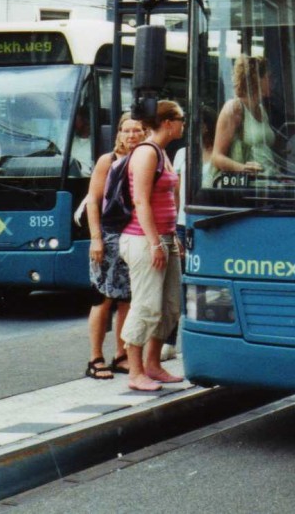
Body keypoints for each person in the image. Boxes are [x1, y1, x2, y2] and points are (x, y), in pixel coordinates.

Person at [119, 100, 185, 392]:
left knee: (171, 306)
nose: (184, 124)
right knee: (145, 305)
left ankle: (154, 364)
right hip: (145, 239)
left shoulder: (162, 153)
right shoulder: (146, 153)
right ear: (168, 122)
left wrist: (172, 236)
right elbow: (141, 201)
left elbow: (170, 196)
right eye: (181, 119)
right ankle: (135, 371)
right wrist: (155, 241)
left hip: (166, 238)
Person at [82, 113, 144, 380]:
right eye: (126, 130)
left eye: (137, 131)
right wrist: (96, 238)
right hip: (108, 236)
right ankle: (95, 358)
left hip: (134, 235)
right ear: (118, 133)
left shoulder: (145, 159)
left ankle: (121, 355)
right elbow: (93, 201)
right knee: (103, 298)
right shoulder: (107, 161)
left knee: (127, 299)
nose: (131, 136)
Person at [212, 55, 281, 177]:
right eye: (268, 77)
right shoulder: (234, 108)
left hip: (266, 181)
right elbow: (216, 157)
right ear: (256, 79)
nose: (273, 81)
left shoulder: (261, 110)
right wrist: (243, 168)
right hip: (245, 187)